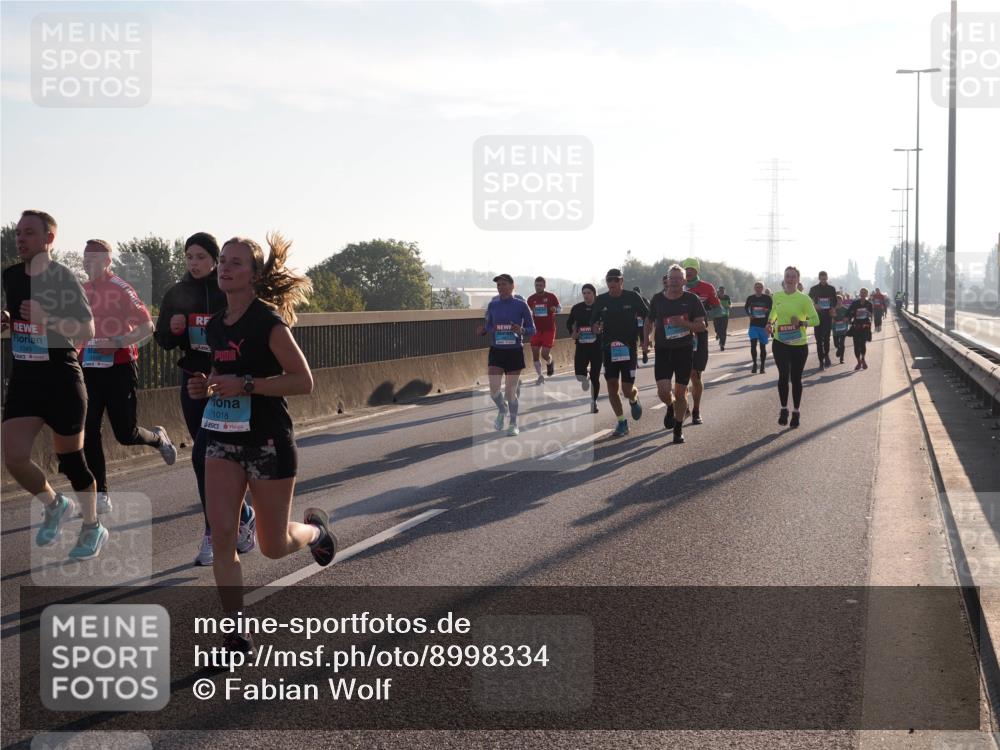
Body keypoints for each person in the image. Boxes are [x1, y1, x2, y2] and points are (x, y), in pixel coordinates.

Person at [186, 233, 335, 655]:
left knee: (273, 547)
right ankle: (236, 632)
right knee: (223, 536)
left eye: (236, 263)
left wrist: (247, 384)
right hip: (222, 440)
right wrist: (206, 388)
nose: (225, 268)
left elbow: (303, 381)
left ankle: (316, 531)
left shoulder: (268, 321)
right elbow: (222, 375)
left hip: (268, 441)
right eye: (223, 263)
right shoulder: (216, 325)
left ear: (253, 274)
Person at [1, 210, 104, 560]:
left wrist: (49, 319)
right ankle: (54, 503)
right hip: (26, 379)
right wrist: (6, 321)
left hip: (61, 378)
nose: (20, 239)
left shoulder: (62, 278)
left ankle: (92, 527)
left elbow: (87, 330)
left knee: (72, 462)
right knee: (14, 457)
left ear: (49, 239)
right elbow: (20, 322)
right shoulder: (11, 276)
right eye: (18, 233)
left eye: (28, 233)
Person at [155, 232, 255, 567]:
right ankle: (240, 517)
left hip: (225, 380)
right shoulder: (177, 292)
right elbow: (163, 340)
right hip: (194, 380)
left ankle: (215, 532)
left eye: (201, 257)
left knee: (209, 456)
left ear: (214, 259)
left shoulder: (226, 291)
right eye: (189, 257)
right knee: (206, 457)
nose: (194, 263)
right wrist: (174, 328)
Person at [79, 240, 176, 517]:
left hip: (119, 366)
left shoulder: (121, 288)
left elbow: (148, 325)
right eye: (86, 258)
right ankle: (101, 495)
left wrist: (118, 341)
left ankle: (158, 438)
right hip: (89, 367)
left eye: (95, 259)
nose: (89, 263)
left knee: (125, 434)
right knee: (90, 430)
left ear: (107, 262)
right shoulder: (82, 290)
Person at [645, 265, 706, 444]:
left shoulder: (692, 299)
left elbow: (702, 326)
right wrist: (646, 340)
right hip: (663, 350)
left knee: (680, 393)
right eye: (671, 278)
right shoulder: (657, 299)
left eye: (678, 278)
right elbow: (648, 321)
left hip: (684, 350)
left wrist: (683, 323)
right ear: (667, 280)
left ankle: (678, 429)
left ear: (684, 281)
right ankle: (670, 407)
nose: (673, 281)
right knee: (664, 391)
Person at [591, 269, 648, 437]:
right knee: (612, 387)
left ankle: (633, 398)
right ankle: (622, 421)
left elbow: (647, 316)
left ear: (621, 281)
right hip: (609, 348)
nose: (612, 283)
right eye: (609, 280)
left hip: (629, 347)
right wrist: (595, 328)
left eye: (616, 280)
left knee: (626, 389)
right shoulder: (601, 300)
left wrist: (646, 339)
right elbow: (593, 321)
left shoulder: (632, 297)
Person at [479, 274, 535, 436]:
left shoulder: (521, 305)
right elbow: (489, 326)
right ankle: (502, 410)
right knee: (494, 391)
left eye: (503, 284)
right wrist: (484, 331)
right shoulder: (493, 305)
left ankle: (513, 423)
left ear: (512, 286)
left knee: (510, 391)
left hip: (514, 351)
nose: (500, 287)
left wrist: (521, 330)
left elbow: (533, 329)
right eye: (498, 285)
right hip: (496, 351)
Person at [767, 266, 819, 428]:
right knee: (783, 375)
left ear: (798, 280)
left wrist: (802, 323)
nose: (789, 279)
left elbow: (816, 320)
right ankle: (784, 409)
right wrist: (769, 323)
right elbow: (774, 312)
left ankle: (796, 411)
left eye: (793, 277)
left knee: (796, 378)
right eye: (787, 276)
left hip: (799, 344)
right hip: (780, 342)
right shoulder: (777, 296)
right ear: (784, 278)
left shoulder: (804, 299)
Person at [681, 258, 720, 425]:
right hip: (679, 334)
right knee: (681, 376)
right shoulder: (676, 286)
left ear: (697, 271)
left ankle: (696, 410)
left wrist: (704, 316)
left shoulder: (707, 287)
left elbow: (719, 310)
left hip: (699, 334)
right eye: (686, 269)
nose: (689, 271)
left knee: (695, 376)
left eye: (692, 269)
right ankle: (684, 408)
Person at [567, 284, 602, 413]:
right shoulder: (577, 308)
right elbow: (569, 323)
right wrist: (573, 332)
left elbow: (607, 323)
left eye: (589, 293)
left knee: (595, 376)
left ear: (594, 294)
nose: (586, 295)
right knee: (579, 374)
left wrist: (600, 330)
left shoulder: (600, 308)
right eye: (584, 293)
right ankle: (584, 378)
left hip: (597, 347)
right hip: (582, 346)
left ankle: (594, 401)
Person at [526, 277, 559, 385]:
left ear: (544, 286)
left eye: (540, 285)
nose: (538, 287)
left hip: (549, 329)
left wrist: (555, 309)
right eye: (536, 285)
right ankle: (540, 376)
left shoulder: (551, 296)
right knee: (535, 353)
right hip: (536, 330)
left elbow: (560, 308)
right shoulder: (530, 299)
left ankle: (550, 362)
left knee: (544, 354)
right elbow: (527, 313)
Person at [808, 271, 838, 370]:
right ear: (819, 278)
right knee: (818, 340)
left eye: (825, 278)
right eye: (822, 278)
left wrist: (832, 308)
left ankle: (826, 355)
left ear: (827, 278)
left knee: (826, 339)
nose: (823, 280)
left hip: (827, 317)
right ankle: (821, 361)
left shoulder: (831, 289)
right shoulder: (814, 289)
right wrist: (814, 304)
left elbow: (834, 301)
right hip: (817, 317)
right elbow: (808, 300)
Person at [744, 281, 772, 374]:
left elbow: (772, 309)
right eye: (756, 287)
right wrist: (749, 315)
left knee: (762, 347)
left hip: (763, 325)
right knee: (753, 344)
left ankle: (762, 366)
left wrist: (767, 313)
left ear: (762, 288)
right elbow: (746, 307)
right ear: (754, 288)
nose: (758, 288)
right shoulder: (750, 298)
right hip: (754, 325)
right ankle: (755, 364)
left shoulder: (767, 298)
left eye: (760, 287)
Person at [848, 288, 875, 371]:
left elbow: (871, 315)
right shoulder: (855, 303)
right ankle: (859, 361)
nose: (862, 294)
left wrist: (868, 313)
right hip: (856, 326)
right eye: (861, 293)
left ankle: (863, 358)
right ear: (859, 294)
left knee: (863, 344)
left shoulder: (869, 304)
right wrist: (848, 318)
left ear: (867, 294)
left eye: (864, 293)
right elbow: (849, 312)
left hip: (865, 326)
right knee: (856, 345)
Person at [633, 286, 651, 364]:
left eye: (637, 293)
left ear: (640, 293)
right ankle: (634, 358)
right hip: (634, 324)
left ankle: (644, 354)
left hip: (643, 323)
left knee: (643, 339)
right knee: (633, 341)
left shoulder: (645, 300)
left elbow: (650, 312)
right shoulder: (630, 301)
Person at [831, 295, 850, 364]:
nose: (838, 302)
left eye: (839, 300)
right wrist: (832, 319)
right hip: (835, 330)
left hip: (843, 329)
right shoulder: (832, 309)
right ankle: (838, 349)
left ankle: (842, 358)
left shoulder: (845, 309)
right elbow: (829, 318)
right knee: (836, 344)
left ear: (842, 301)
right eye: (837, 300)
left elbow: (849, 317)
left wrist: (847, 319)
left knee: (842, 343)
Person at [714, 285, 732, 350]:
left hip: (725, 315)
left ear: (724, 291)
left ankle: (722, 344)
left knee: (723, 330)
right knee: (717, 328)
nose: (722, 292)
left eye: (723, 291)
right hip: (717, 315)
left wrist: (729, 306)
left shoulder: (727, 297)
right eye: (720, 291)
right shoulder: (716, 297)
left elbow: (730, 304)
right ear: (718, 291)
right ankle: (717, 333)